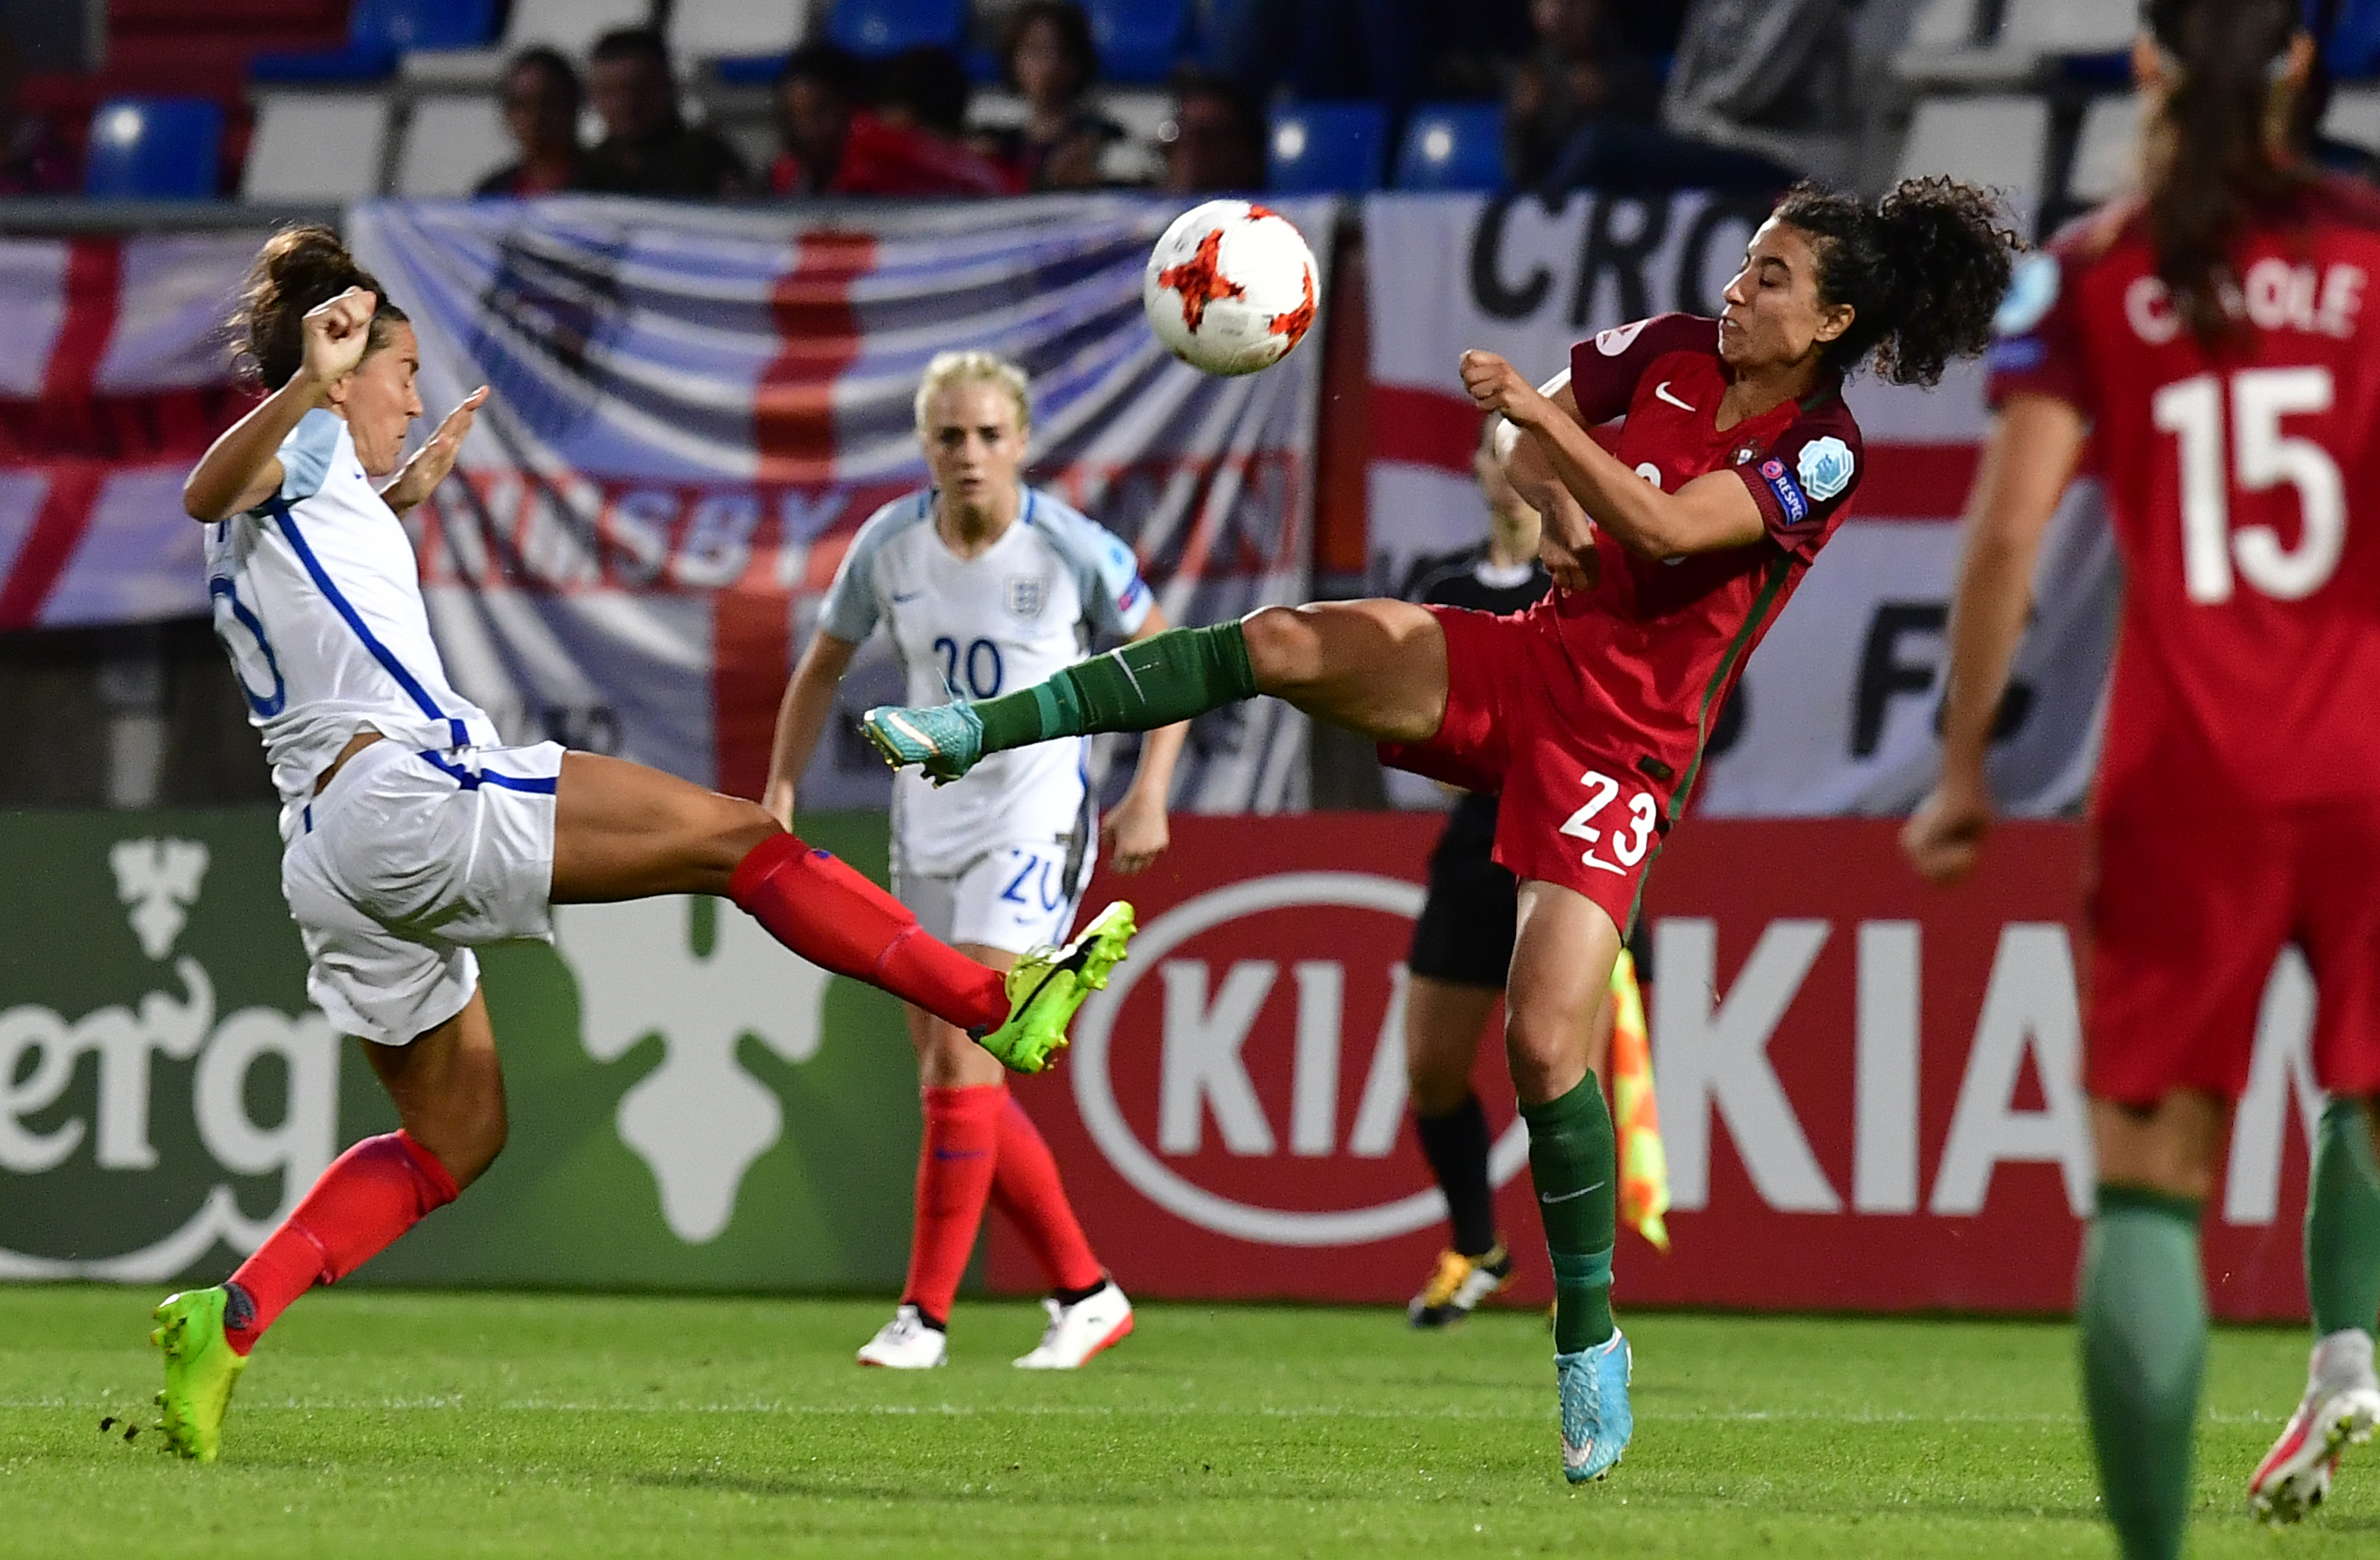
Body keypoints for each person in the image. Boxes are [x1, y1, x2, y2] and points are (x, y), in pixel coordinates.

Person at [863, 178, 2015, 1482]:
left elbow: (1671, 523)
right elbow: (1546, 473)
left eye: (1772, 278)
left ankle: (1589, 1342)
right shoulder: (1674, 349)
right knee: (1286, 640)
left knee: (1537, 1045)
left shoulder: (1823, 451)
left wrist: (1543, 423)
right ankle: (979, 728)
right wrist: (1555, 489)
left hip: (1623, 750)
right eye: (1749, 264)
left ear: (1834, 319)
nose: (1740, 291)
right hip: (1527, 661)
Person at [148, 230, 1137, 1463]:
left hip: (331, 854)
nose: (409, 391)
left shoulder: (316, 494)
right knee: (739, 839)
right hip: (407, 792)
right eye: (394, 366)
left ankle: (230, 1315)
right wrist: (310, 377)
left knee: (457, 1135)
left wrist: (398, 494)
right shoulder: (292, 439)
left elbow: (286, 545)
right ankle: (994, 994)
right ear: (337, 366)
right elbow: (206, 485)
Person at [1902, 1, 2380, 1551]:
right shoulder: (2373, 250)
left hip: (2187, 774)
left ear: (2150, 64)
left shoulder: (2088, 269)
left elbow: (2002, 538)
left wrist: (1963, 765)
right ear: (2304, 64)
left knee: (2149, 1185)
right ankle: (2352, 1353)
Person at [764, 350, 1182, 1369]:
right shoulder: (890, 547)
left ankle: (925, 1316)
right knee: (957, 1079)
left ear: (1023, 442)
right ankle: (1086, 1291)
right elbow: (820, 666)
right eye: (949, 435)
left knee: (962, 1056)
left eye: (989, 434)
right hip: (927, 823)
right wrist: (778, 785)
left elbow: (1163, 651)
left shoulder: (1070, 546)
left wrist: (1149, 787)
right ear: (924, 445)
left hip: (1032, 816)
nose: (969, 454)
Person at [1398, 421, 1556, 1327]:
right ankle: (1475, 1242)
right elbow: (1418, 717)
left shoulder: (1581, 579)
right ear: (1477, 469)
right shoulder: (1444, 592)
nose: (1508, 470)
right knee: (1430, 1067)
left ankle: (1582, 1276)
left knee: (1558, 1069)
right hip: (1472, 846)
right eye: (1495, 452)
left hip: (1564, 839)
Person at [769, 41, 1015, 199]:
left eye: (820, 112)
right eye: (795, 116)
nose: (807, 130)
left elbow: (992, 184)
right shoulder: (787, 173)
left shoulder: (878, 147)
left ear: (850, 107)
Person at [1504, 0, 1663, 192]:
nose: (1560, 13)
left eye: (1571, 4)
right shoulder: (1530, 76)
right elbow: (1520, 173)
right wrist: (1525, 121)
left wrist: (1608, 98)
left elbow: (1655, 137)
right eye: (1549, 4)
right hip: (1557, 207)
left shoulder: (1628, 66)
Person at [579, 27, 750, 200]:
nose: (625, 103)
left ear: (669, 86)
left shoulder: (709, 160)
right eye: (609, 92)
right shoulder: (587, 169)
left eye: (640, 88)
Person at [974, 1, 1123, 192]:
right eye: (1035, 50)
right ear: (1013, 59)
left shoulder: (1104, 137)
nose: (1050, 65)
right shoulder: (998, 146)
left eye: (1062, 51)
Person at [473, 46, 584, 199]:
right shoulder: (492, 191)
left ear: (573, 104)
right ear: (507, 114)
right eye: (521, 105)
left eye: (547, 102)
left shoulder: (609, 185)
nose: (536, 117)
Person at [1159, 71, 1266, 196]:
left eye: (1204, 136)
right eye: (1180, 133)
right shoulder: (1141, 209)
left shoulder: (1268, 212)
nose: (1190, 149)